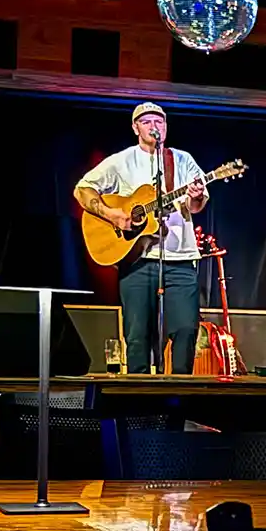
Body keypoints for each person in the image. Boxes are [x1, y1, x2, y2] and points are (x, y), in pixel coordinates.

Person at [73, 102, 208, 374]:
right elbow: (82, 190)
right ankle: (138, 407)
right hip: (137, 260)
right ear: (135, 127)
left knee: (185, 330)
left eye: (159, 122)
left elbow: (196, 205)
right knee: (137, 335)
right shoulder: (121, 160)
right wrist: (113, 215)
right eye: (147, 122)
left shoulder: (181, 160)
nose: (154, 126)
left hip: (181, 259)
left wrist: (195, 198)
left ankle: (178, 401)